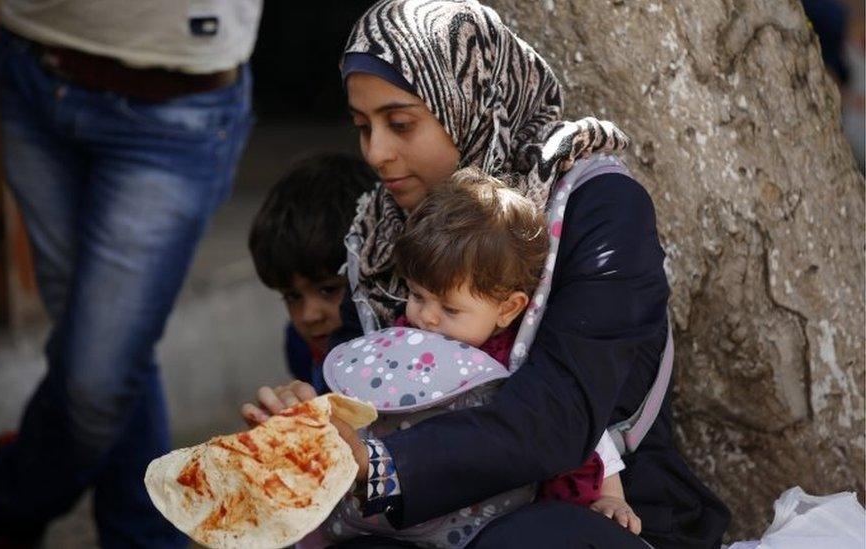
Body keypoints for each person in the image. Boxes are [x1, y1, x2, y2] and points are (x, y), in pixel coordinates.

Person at [244, 1, 730, 547]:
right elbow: (366, 384)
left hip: (590, 512)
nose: (376, 153)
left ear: (468, 104)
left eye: (400, 123)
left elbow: (558, 415)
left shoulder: (595, 207)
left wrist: (379, 464)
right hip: (424, 521)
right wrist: (310, 420)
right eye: (363, 127)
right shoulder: (381, 229)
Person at [0, 1, 260, 547]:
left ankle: (16, 498)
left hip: (175, 104)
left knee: (97, 377)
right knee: (103, 350)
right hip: (33, 61)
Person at [306, 169, 640, 548]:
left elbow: (588, 436)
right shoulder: (399, 347)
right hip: (404, 521)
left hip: (497, 527)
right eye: (417, 296)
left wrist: (612, 497)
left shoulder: (519, 362)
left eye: (450, 308)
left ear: (508, 308)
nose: (427, 317)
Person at [248, 153, 377, 393]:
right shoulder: (300, 347)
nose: (309, 316)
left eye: (328, 289)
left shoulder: (404, 345)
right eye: (292, 296)